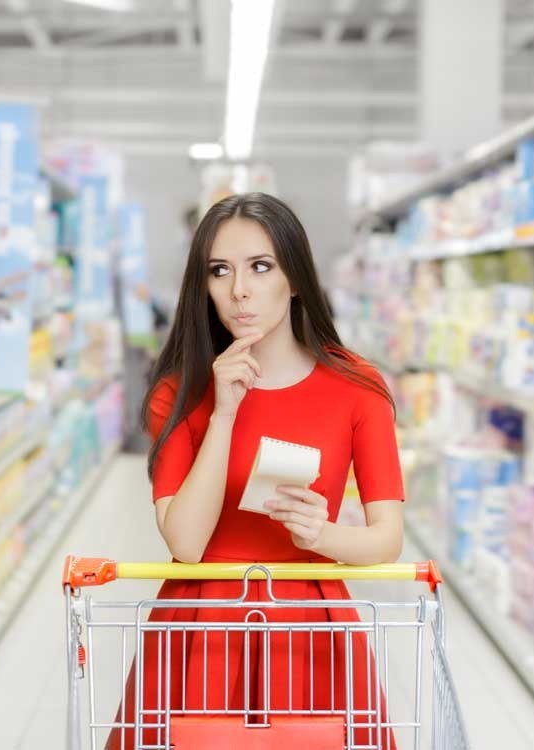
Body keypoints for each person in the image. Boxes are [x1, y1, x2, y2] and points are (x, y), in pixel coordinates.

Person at [108, 192, 404, 749]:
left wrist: (325, 534)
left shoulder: (357, 389)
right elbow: (187, 543)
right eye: (219, 271)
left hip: (309, 625)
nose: (239, 290)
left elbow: (388, 540)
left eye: (260, 267)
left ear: (294, 279)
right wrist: (223, 412)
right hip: (201, 625)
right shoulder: (178, 391)